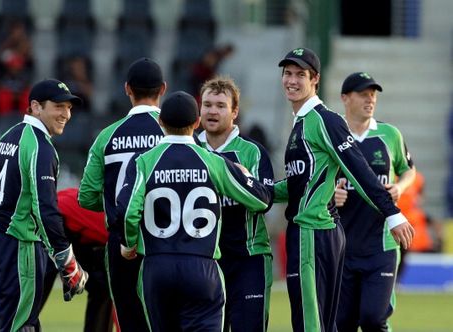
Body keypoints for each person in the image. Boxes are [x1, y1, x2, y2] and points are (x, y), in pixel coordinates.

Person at [273, 48, 415, 332]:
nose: (292, 80)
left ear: (315, 80)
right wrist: (253, 188)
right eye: (288, 73)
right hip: (323, 233)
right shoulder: (302, 122)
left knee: (313, 324)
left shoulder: (322, 120)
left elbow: (358, 170)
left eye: (300, 75)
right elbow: (301, 183)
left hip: (313, 232)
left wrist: (393, 213)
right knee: (331, 323)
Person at [116, 90, 272, 331]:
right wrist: (247, 177)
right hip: (202, 266)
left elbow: (127, 210)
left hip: (157, 266)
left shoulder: (143, 161)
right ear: (197, 122)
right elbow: (261, 201)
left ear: (160, 122)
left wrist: (128, 243)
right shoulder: (213, 161)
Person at [0, 79, 88, 332]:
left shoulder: (9, 135)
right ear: (35, 107)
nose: (66, 115)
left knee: (11, 324)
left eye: (69, 108)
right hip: (18, 246)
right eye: (58, 107)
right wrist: (67, 261)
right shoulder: (41, 146)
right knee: (22, 326)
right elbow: (45, 209)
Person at [78, 57, 166, 332]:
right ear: (163, 89)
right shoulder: (174, 131)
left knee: (129, 321)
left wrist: (115, 203)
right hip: (166, 238)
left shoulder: (107, 136)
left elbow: (86, 197)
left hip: (120, 244)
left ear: (127, 89)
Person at [0, 188, 115, 332]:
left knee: (104, 288)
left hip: (72, 227)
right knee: (23, 312)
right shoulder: (129, 230)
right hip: (51, 224)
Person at [332, 72, 416, 332]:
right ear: (345, 98)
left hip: (382, 245)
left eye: (373, 95)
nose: (370, 100)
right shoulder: (331, 137)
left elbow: (409, 169)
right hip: (342, 246)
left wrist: (400, 187)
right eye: (363, 94)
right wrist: (331, 196)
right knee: (342, 323)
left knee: (372, 319)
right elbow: (314, 181)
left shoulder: (389, 135)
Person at [197, 76, 274, 331]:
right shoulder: (190, 149)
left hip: (248, 258)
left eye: (220, 105)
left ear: (235, 112)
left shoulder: (253, 152)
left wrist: (237, 178)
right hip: (203, 261)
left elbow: (265, 201)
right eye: (207, 104)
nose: (212, 111)